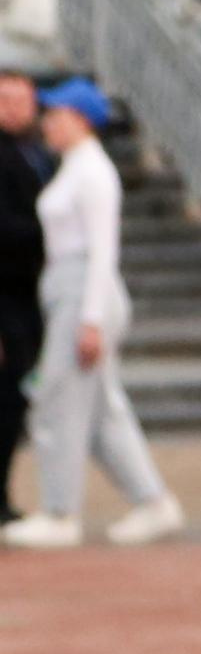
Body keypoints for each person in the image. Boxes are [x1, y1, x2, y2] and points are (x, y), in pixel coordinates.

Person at [2, 78, 182, 551]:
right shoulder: (74, 167)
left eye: (57, 115)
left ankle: (61, 512)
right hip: (70, 288)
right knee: (102, 412)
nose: (48, 124)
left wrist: (91, 319)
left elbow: (104, 249)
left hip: (85, 291)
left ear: (81, 119)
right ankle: (153, 501)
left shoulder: (94, 172)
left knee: (55, 401)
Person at [0, 65, 51, 523]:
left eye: (23, 101)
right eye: (6, 101)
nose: (16, 109)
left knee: (17, 399)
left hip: (33, 296)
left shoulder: (37, 152)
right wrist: (50, 231)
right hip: (6, 301)